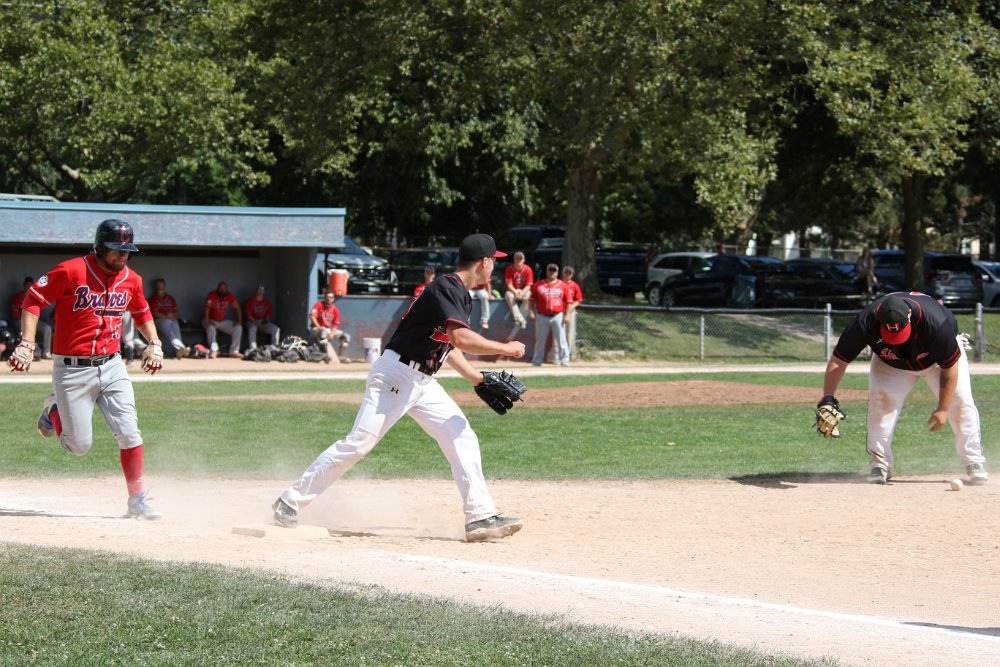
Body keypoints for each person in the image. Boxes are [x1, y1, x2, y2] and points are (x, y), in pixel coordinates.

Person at [273, 233, 527, 542]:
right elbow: (460, 339)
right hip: (395, 376)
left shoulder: (458, 293)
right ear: (484, 262)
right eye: (494, 262)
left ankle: (480, 517)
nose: (495, 268)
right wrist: (506, 348)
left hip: (423, 382)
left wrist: (476, 379)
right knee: (358, 443)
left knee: (461, 434)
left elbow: (447, 346)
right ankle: (289, 501)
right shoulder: (448, 287)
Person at [7, 219, 165, 519]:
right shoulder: (71, 270)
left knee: (130, 433)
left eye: (127, 250)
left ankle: (137, 500)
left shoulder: (132, 279)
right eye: (116, 249)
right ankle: (52, 409)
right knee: (78, 446)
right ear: (100, 248)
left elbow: (141, 311)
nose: (122, 255)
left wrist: (154, 342)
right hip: (72, 370)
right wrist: (27, 342)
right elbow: (33, 300)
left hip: (112, 365)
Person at [819, 292, 988, 486]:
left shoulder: (935, 323)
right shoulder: (866, 322)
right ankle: (880, 463)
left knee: (960, 403)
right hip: (892, 363)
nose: (896, 338)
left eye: (899, 332)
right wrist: (828, 397)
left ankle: (973, 460)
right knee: (881, 402)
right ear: (879, 320)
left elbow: (949, 368)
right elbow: (839, 360)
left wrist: (942, 409)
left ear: (909, 315)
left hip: (937, 362)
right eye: (890, 333)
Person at [529, 263, 572, 367]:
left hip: (557, 316)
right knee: (540, 340)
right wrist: (530, 311)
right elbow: (532, 299)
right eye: (550, 270)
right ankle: (537, 361)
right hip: (541, 315)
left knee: (561, 340)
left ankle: (565, 361)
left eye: (554, 270)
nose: (552, 272)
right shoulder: (538, 284)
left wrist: (567, 315)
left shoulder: (563, 285)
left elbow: (569, 302)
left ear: (557, 272)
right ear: (547, 271)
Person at [10, 276, 53, 360]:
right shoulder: (18, 297)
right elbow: (14, 313)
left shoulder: (35, 297)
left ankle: (46, 353)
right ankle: (35, 353)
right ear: (24, 285)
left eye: (30, 285)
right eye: (27, 285)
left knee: (47, 328)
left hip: (33, 320)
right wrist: (26, 322)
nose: (29, 287)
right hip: (19, 321)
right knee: (29, 332)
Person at [149, 278, 190, 358]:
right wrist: (166, 317)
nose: (160, 287)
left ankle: (178, 351)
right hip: (160, 320)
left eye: (161, 285)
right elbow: (155, 313)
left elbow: (176, 311)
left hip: (171, 319)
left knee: (177, 334)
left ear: (164, 286)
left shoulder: (170, 298)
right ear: (155, 286)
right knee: (171, 334)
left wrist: (173, 315)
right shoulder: (154, 299)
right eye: (158, 285)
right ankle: (181, 347)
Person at [203, 281, 243, 359]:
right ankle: (214, 350)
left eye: (224, 288)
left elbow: (237, 307)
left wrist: (239, 321)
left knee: (238, 328)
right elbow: (207, 308)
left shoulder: (229, 295)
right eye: (221, 288)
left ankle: (234, 351)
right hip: (210, 320)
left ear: (226, 289)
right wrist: (207, 321)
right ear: (217, 288)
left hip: (222, 321)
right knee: (211, 328)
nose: (222, 290)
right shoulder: (212, 294)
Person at [309, 289, 351, 363]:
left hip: (327, 329)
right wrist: (318, 327)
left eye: (331, 297)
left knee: (346, 336)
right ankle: (324, 356)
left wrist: (332, 333)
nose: (329, 299)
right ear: (325, 298)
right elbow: (312, 316)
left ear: (333, 299)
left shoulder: (335, 309)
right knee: (323, 332)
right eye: (327, 297)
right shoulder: (319, 305)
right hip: (316, 329)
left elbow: (336, 324)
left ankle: (341, 357)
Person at [503, 251, 533, 329]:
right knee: (508, 295)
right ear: (514, 260)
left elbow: (529, 285)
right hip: (513, 290)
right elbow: (509, 284)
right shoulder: (509, 269)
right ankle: (521, 319)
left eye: (520, 259)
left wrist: (522, 293)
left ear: (524, 260)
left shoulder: (528, 269)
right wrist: (515, 292)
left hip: (523, 290)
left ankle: (518, 319)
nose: (518, 260)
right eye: (517, 258)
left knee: (529, 295)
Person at [244, 284, 280, 350]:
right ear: (256, 291)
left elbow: (269, 316)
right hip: (251, 322)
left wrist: (265, 322)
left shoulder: (267, 302)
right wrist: (257, 324)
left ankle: (274, 349)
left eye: (262, 290)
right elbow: (249, 316)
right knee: (253, 328)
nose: (260, 291)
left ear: (264, 292)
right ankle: (253, 349)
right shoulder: (250, 301)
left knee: (275, 328)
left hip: (262, 322)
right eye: (259, 290)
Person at [562, 265, 583, 360]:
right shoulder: (559, 284)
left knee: (569, 333)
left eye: (569, 273)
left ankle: (568, 354)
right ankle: (559, 354)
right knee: (558, 333)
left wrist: (571, 307)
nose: (567, 274)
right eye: (566, 272)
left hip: (570, 312)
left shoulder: (574, 286)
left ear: (572, 275)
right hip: (559, 311)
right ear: (563, 273)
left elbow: (579, 300)